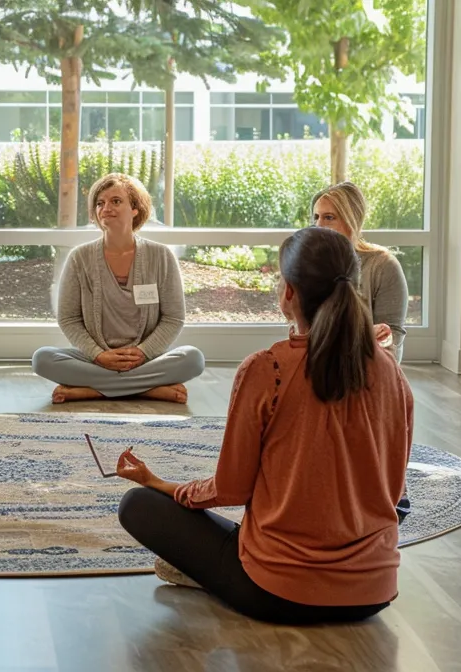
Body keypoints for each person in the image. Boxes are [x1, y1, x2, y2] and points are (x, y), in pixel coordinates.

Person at [114, 226, 412, 625]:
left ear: (288, 292)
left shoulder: (266, 368)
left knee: (137, 506)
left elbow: (230, 488)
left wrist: (159, 484)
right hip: (373, 592)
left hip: (278, 592)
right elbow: (394, 491)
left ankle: (212, 577)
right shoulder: (390, 369)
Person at [34, 173, 205, 404]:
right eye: (100, 203)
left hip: (146, 358)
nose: (106, 208)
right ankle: (146, 389)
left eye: (116, 201)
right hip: (94, 358)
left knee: (193, 359)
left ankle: (93, 390)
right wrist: (99, 355)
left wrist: (143, 352)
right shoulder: (79, 258)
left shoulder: (161, 256)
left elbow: (173, 318)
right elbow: (69, 319)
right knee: (42, 359)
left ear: (135, 208)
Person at [311, 182, 408, 361]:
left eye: (329, 217)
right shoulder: (310, 263)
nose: (318, 225)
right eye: (316, 217)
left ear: (352, 220)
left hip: (367, 368)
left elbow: (391, 340)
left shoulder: (383, 266)